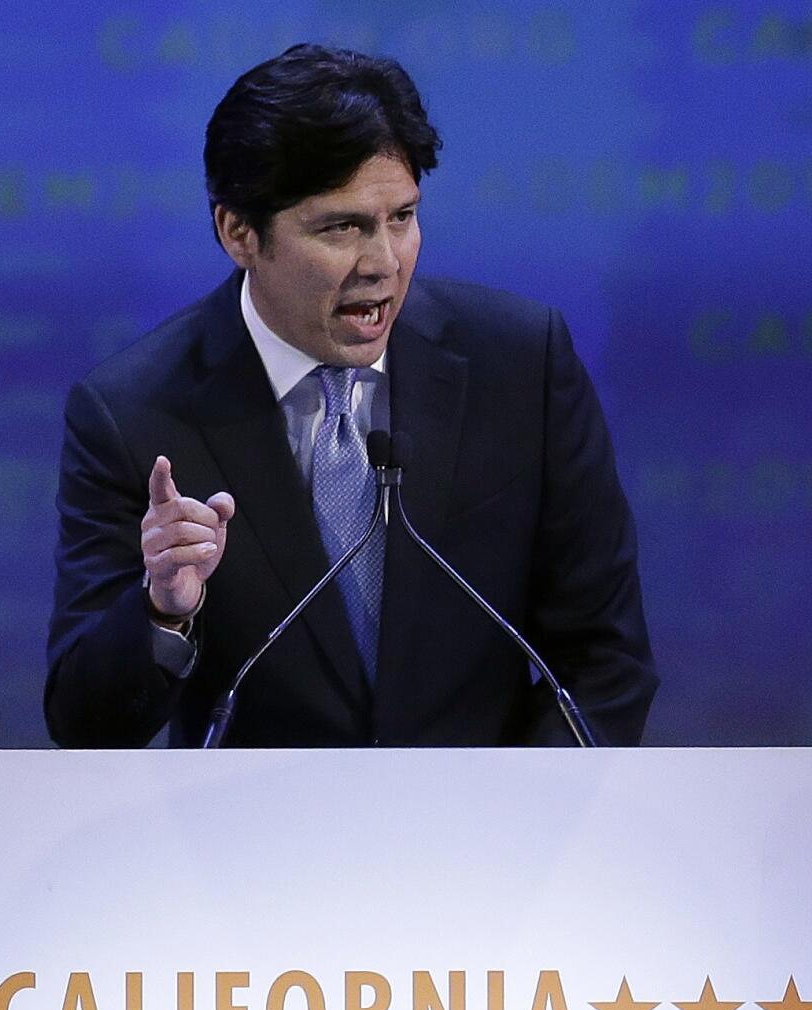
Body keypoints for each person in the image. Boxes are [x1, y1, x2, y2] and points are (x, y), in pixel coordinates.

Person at [45, 43, 657, 749]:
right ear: (239, 233)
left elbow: (606, 660)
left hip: (486, 841)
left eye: (402, 217)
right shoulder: (132, 413)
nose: (384, 263)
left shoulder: (520, 366)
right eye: (343, 228)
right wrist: (164, 611)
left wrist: (514, 822)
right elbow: (83, 725)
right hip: (255, 846)